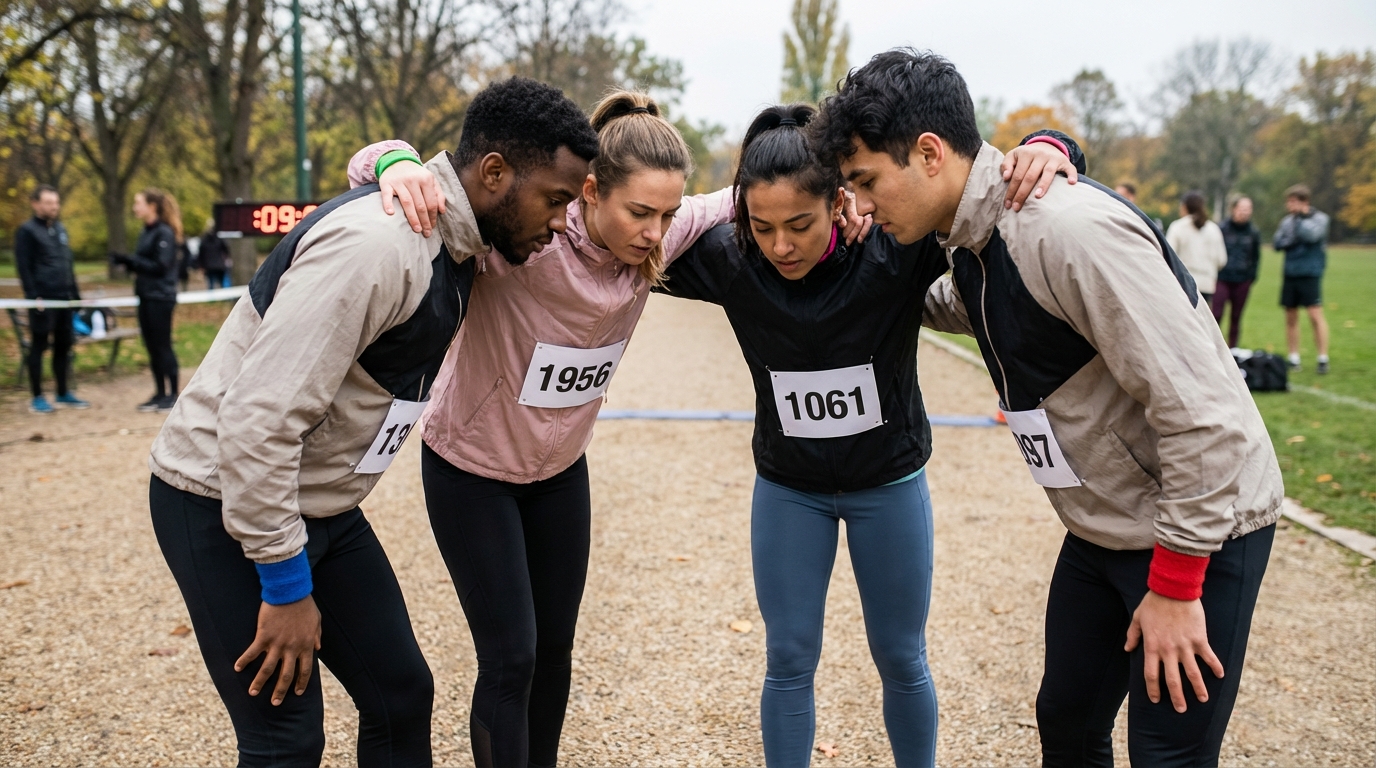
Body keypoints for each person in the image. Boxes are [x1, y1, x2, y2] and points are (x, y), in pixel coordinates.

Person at [814, 48, 1283, 767]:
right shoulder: (972, 241)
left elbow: (1205, 415)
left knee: (1168, 756)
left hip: (1201, 532)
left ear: (930, 153)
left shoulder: (1065, 231)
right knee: (1066, 721)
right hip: (1104, 530)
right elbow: (949, 304)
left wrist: (1177, 584)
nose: (865, 203)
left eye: (867, 181)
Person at [146, 76, 599, 768]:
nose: (563, 221)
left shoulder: (460, 235)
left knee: (401, 693)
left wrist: (392, 157)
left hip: (321, 505)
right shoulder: (380, 248)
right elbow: (256, 422)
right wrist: (285, 586)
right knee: (285, 739)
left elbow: (398, 172)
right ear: (495, 173)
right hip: (221, 501)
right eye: (556, 199)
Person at [652, 106, 1081, 768]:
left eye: (800, 224)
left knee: (901, 655)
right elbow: (626, 229)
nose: (781, 246)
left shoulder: (895, 248)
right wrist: (722, 208)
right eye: (762, 227)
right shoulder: (729, 259)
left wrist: (1052, 146)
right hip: (789, 490)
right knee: (788, 656)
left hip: (888, 483)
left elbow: (977, 194)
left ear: (841, 201)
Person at [14, 184, 89, 414]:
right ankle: (37, 396)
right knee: (38, 346)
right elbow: (24, 267)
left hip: (65, 299)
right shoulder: (26, 231)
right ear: (35, 203)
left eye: (56, 203)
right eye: (48, 203)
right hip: (42, 300)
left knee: (63, 346)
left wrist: (76, 296)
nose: (53, 207)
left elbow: (67, 264)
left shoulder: (60, 229)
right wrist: (32, 296)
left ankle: (63, 392)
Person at [112, 189, 183, 412]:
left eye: (138, 203)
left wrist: (131, 261)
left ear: (152, 206)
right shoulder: (146, 232)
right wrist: (130, 263)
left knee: (163, 345)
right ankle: (159, 392)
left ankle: (172, 394)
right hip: (145, 294)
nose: (135, 207)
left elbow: (161, 266)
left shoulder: (164, 233)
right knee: (151, 346)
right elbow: (146, 263)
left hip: (160, 296)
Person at [1273, 184, 1331, 373]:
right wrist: (1288, 240)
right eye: (1288, 202)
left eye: (1294, 202)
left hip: (1310, 273)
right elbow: (1278, 242)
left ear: (1304, 202)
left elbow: (1312, 236)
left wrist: (1301, 220)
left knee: (1315, 315)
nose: (1290, 206)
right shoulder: (1287, 221)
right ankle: (1294, 357)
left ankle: (1322, 357)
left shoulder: (1320, 219)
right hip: (1291, 273)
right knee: (1290, 316)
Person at [1215, 196, 1261, 348]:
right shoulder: (1221, 229)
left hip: (1242, 279)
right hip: (1222, 277)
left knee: (1236, 317)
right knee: (1217, 314)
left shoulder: (1253, 232)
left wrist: (1251, 276)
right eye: (1242, 209)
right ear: (1234, 209)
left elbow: (1255, 257)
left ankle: (1232, 349)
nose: (1245, 212)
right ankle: (1215, 346)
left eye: (1248, 209)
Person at [1165, 191, 1227, 305]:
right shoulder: (1214, 229)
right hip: (1206, 285)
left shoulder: (1177, 227)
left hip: (1183, 284)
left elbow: (1168, 256)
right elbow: (1222, 260)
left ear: (1184, 207)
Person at [198, 219, 230, 289]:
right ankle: (226, 297)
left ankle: (212, 299)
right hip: (220, 265)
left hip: (209, 266)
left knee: (211, 284)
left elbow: (201, 254)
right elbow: (226, 250)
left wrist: (202, 266)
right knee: (223, 283)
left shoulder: (204, 240)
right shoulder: (220, 238)